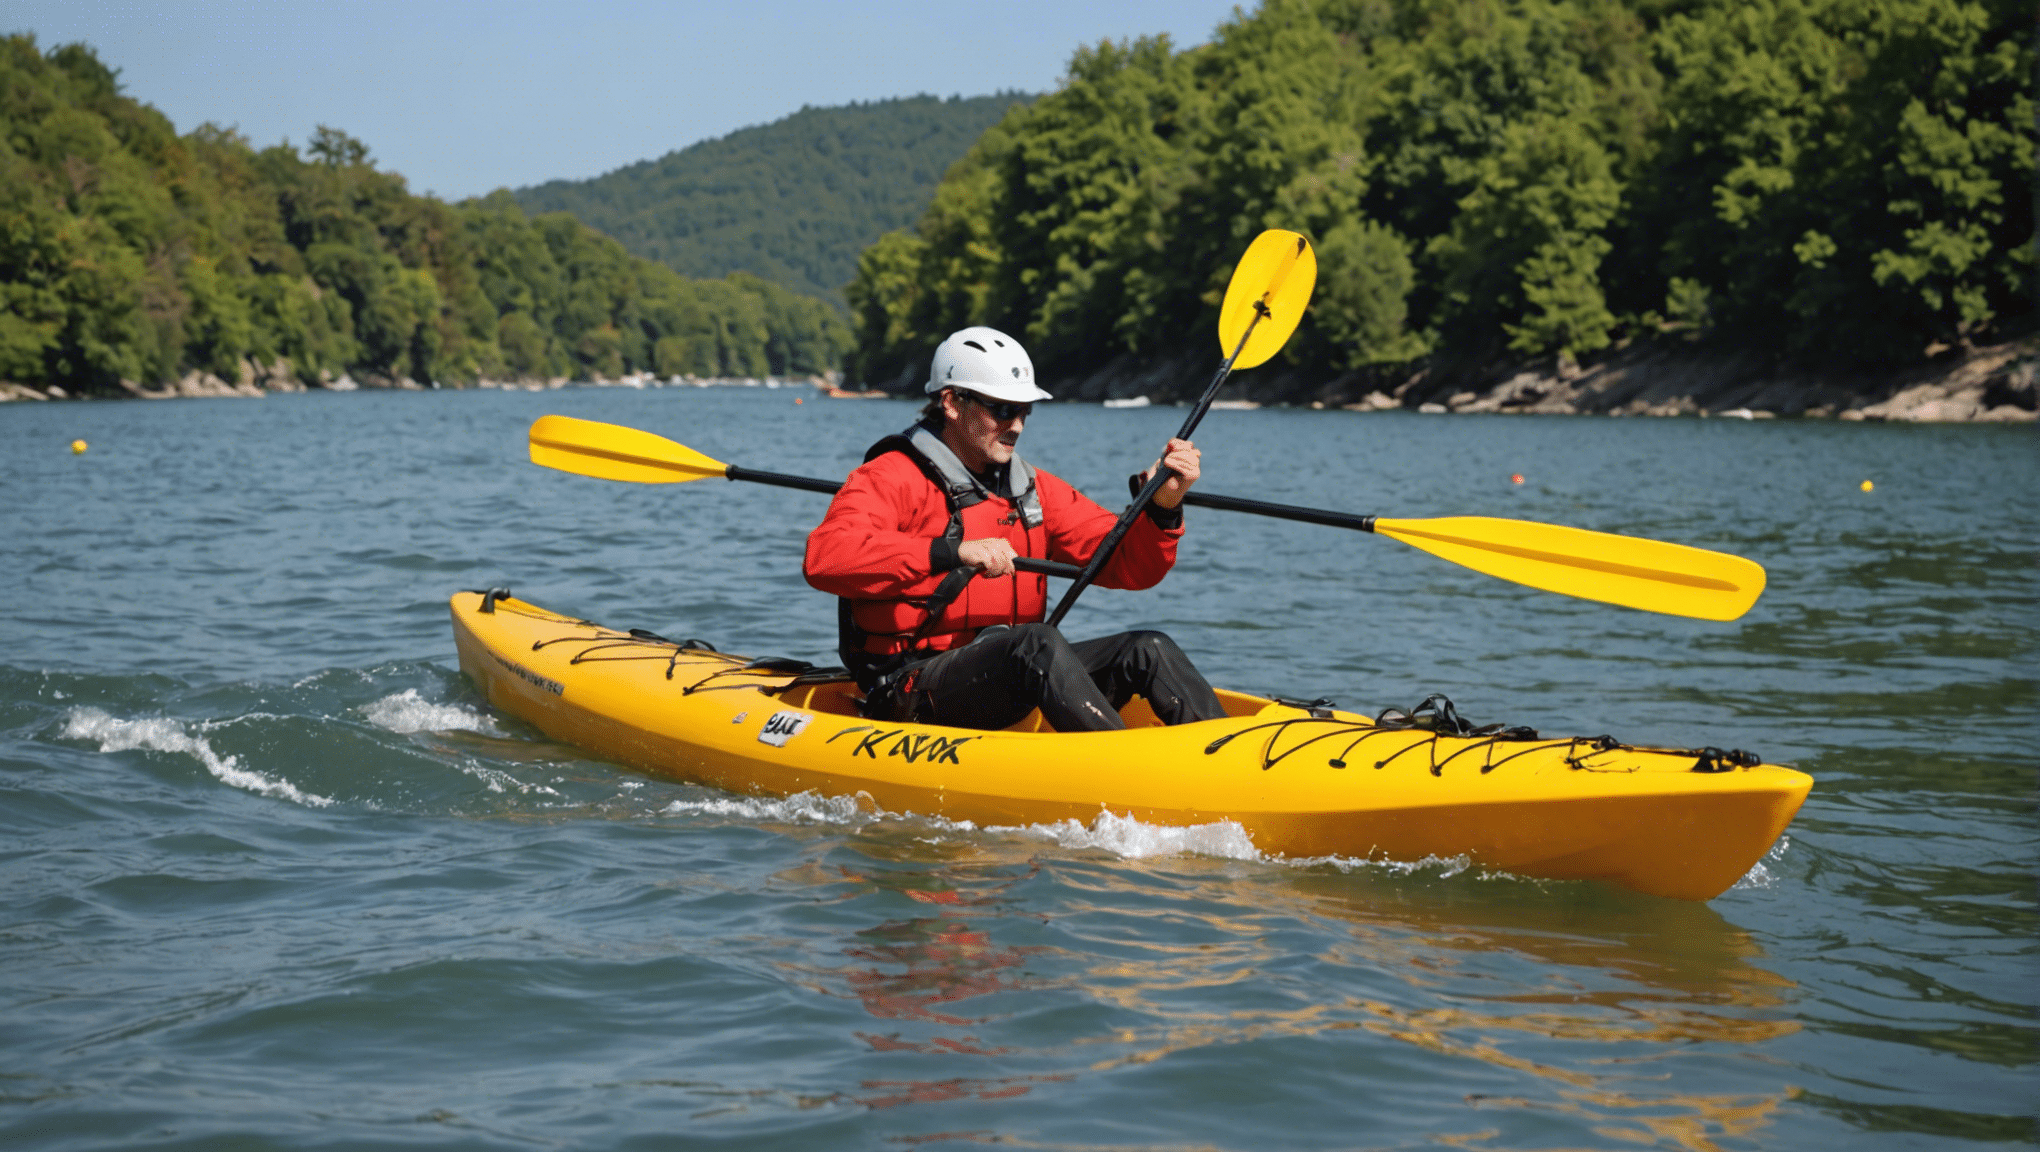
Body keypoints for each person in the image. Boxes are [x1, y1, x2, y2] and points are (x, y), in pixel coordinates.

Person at [804, 326, 1226, 732]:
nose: (1017, 425)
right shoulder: (891, 475)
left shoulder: (1033, 490)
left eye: (1024, 411)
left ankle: (1222, 758)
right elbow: (827, 558)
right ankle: (1120, 774)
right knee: (1037, 645)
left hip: (1007, 676)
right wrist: (953, 552)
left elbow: (1130, 567)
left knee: (1147, 649)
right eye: (1002, 410)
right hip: (911, 689)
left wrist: (1161, 508)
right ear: (952, 402)